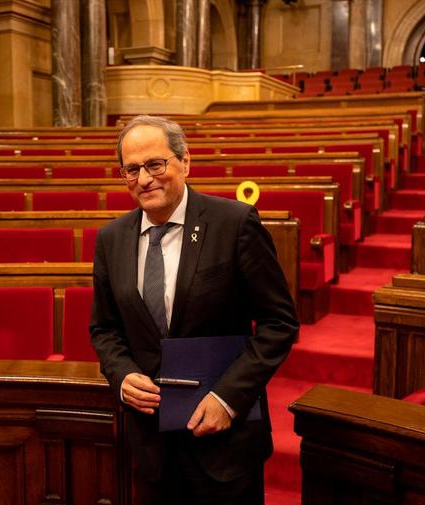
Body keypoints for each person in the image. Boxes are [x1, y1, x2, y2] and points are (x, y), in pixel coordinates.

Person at [90, 115, 299, 505]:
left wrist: (227, 398)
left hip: (224, 445)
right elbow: (104, 329)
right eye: (131, 169)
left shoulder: (234, 223)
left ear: (185, 162)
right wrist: (122, 375)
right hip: (152, 445)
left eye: (156, 164)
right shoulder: (111, 239)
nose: (144, 178)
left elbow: (279, 323)